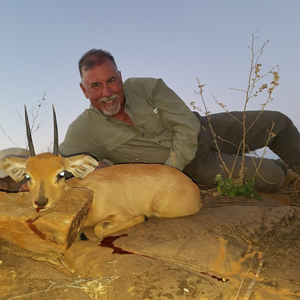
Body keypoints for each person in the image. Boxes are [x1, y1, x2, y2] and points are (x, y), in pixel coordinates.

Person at [59, 49, 300, 192]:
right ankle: (285, 171)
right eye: (96, 86)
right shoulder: (82, 131)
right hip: (194, 165)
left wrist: (169, 171)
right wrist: (24, 183)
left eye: (111, 81)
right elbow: (55, 164)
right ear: (84, 90)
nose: (107, 93)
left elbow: (186, 124)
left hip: (204, 129)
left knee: (277, 123)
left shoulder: (148, 87)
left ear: (120, 77)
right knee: (273, 177)